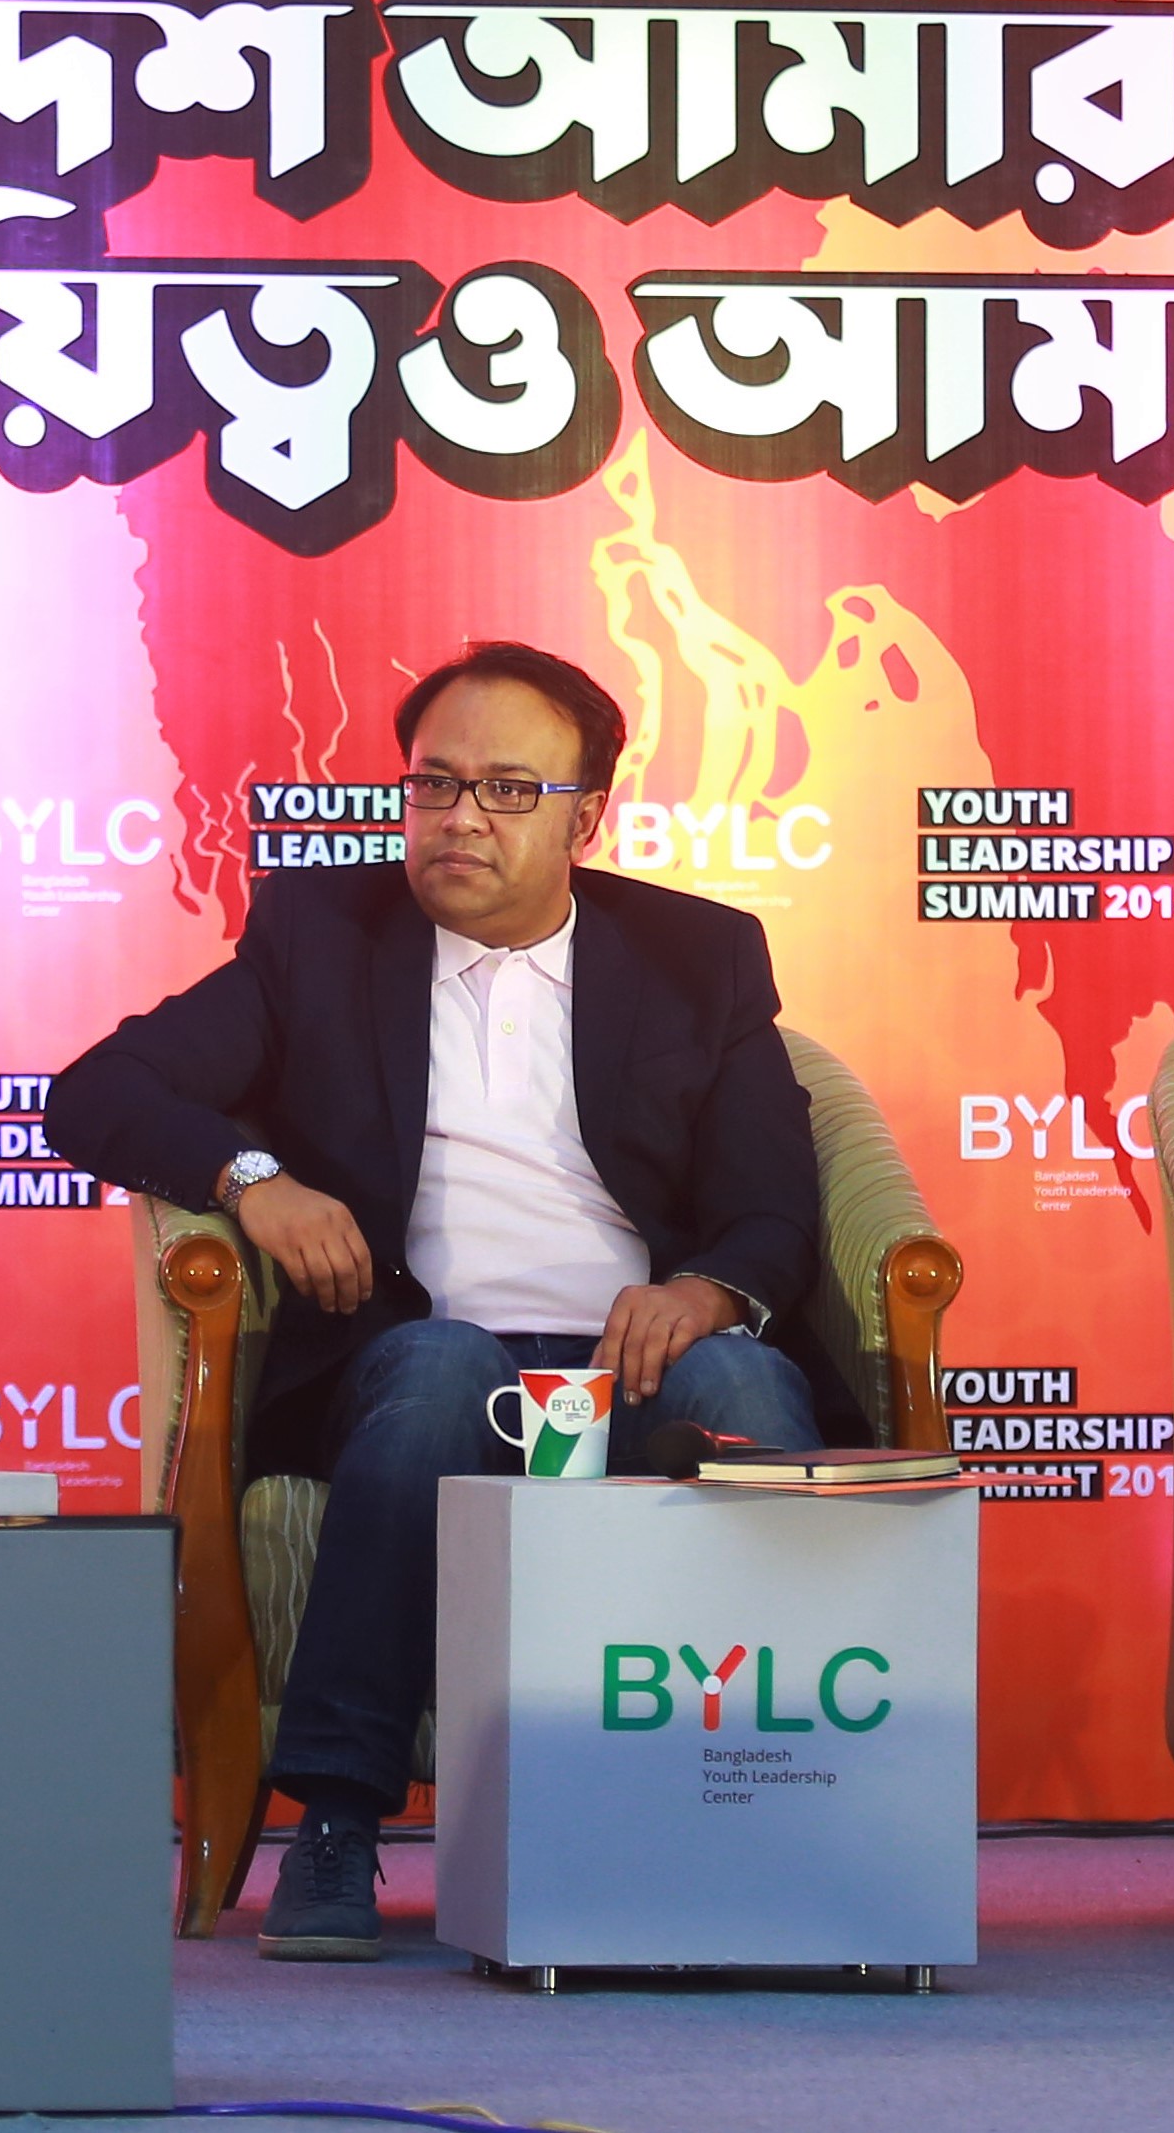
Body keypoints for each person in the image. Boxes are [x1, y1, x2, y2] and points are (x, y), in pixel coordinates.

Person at [46, 638, 840, 1961]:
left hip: (637, 1356)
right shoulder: (321, 937)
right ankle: (337, 1818)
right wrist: (252, 1180)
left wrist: (706, 1288)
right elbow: (96, 1091)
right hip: (414, 1350)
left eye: (508, 788)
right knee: (437, 1371)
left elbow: (772, 1205)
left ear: (585, 818)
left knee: (747, 1383)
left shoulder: (698, 955)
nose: (460, 816)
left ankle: (777, 1821)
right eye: (433, 782)